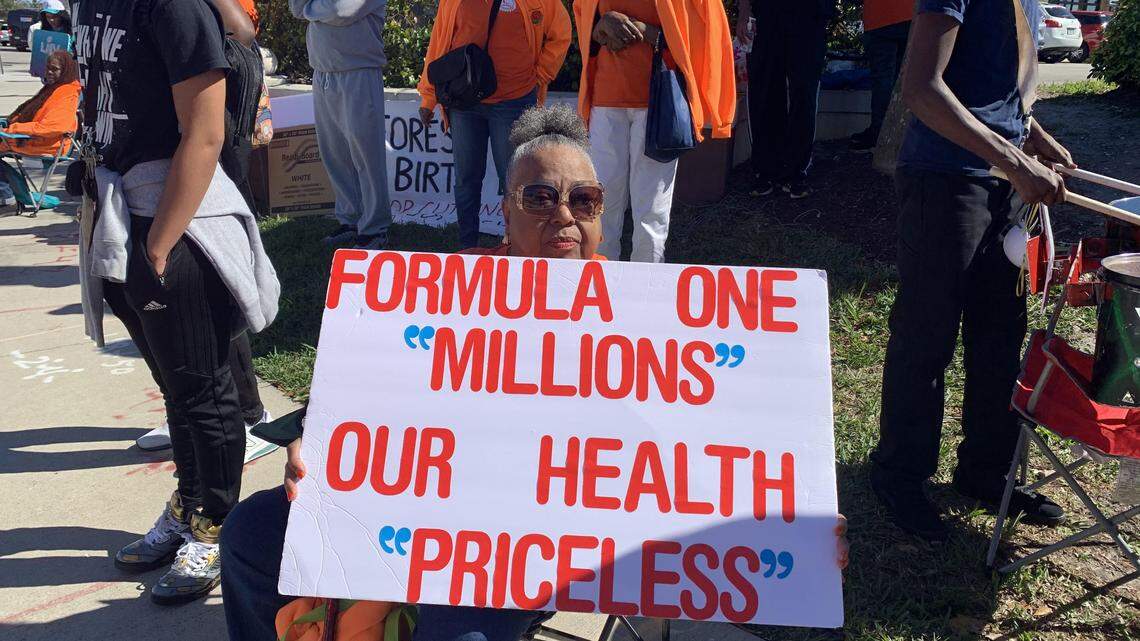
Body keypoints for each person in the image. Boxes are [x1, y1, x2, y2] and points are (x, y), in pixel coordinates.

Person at [220, 106, 849, 641]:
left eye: (584, 199)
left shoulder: (648, 318)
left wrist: (789, 531)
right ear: (506, 210)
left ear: (601, 212)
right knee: (250, 535)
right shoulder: (447, 289)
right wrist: (315, 444)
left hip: (528, 548)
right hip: (420, 515)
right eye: (540, 197)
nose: (564, 214)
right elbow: (367, 391)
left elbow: (709, 451)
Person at [74, 0, 280, 604]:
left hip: (173, 219)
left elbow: (206, 131)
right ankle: (191, 505)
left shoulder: (173, 5)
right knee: (177, 389)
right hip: (118, 208)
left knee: (204, 391)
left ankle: (216, 524)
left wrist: (160, 244)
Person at [872, 0, 1071, 542]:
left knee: (1000, 335)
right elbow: (922, 89)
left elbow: (989, 83)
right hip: (945, 180)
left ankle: (985, 472)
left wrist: (1030, 134)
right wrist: (1014, 159)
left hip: (1001, 182)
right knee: (927, 335)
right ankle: (898, 473)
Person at [135, 0, 275, 460]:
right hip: (163, 152)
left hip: (207, 151)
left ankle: (248, 414)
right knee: (174, 321)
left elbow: (242, 32)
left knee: (210, 286)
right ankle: (189, 403)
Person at [573, 0, 735, 263]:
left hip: (659, 106)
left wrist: (646, 31)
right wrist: (601, 26)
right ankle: (598, 280)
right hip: (605, 101)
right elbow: (585, 23)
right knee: (599, 205)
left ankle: (646, 282)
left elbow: (697, 35)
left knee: (651, 212)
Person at [417, 0, 571, 249]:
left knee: (515, 181)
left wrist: (542, 74)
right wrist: (428, 97)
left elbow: (561, 33)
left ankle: (516, 245)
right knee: (466, 179)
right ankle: (467, 246)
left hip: (514, 101)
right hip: (464, 102)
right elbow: (440, 41)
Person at [290, 0, 391, 250]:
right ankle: (350, 220)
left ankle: (375, 228)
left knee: (366, 156)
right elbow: (296, 7)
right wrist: (313, 9)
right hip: (322, 70)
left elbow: (341, 10)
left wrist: (310, 9)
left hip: (358, 70)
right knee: (335, 155)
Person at [737, 0, 833, 199]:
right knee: (764, 92)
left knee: (804, 93)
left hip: (809, 17)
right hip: (767, 16)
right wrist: (744, 10)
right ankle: (765, 170)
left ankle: (796, 172)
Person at [0, 50, 80, 206]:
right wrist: (8, 125)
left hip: (47, 145)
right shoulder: (54, 88)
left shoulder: (68, 93)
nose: (49, 72)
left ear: (66, 70)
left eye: (54, 69)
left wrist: (13, 129)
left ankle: (6, 193)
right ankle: (8, 192)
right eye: (48, 68)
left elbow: (53, 127)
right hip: (32, 139)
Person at [849, 0, 913, 151]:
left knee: (882, 80)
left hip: (878, 19)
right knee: (904, 77)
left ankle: (879, 132)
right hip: (909, 16)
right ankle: (900, 133)